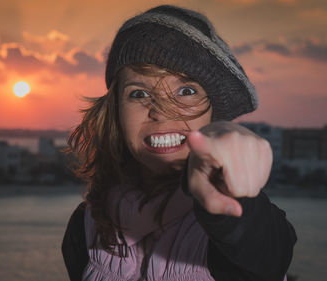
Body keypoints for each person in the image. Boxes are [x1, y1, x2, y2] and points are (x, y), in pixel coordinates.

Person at [62, 5, 297, 281]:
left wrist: (230, 197)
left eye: (186, 91)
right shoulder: (84, 226)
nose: (161, 111)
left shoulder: (233, 223)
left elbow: (268, 254)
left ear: (215, 115)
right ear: (115, 110)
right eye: (138, 93)